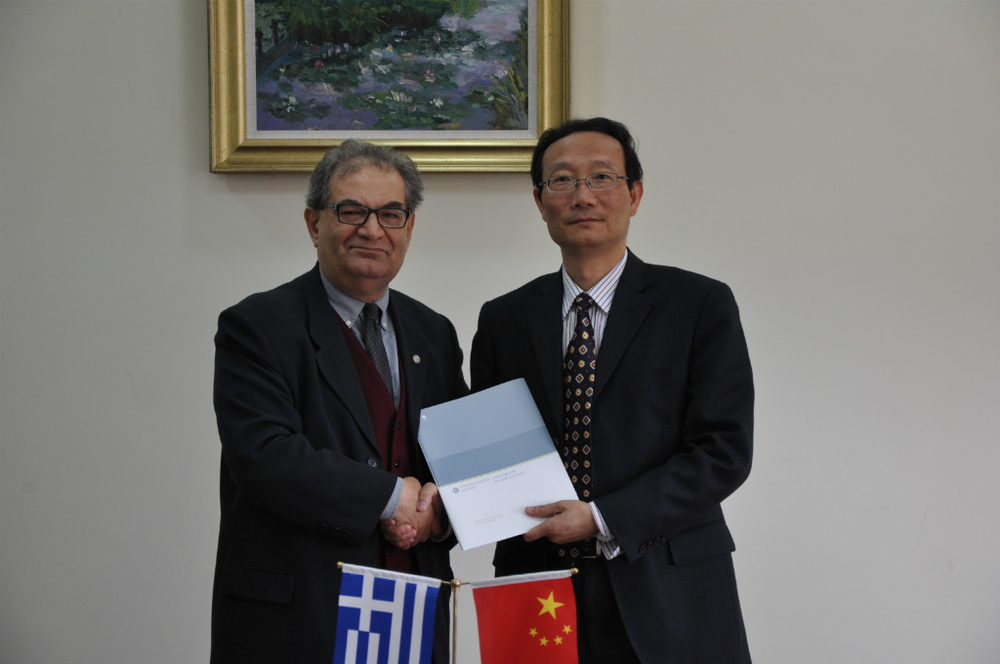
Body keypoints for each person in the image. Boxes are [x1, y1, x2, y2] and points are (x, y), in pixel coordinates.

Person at [470, 118, 754, 663]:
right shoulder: (504, 319)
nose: (583, 196)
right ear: (540, 201)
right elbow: (492, 453)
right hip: (537, 582)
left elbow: (724, 451)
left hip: (669, 585)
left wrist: (603, 517)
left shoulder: (699, 305)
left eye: (602, 177)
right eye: (562, 181)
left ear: (634, 194)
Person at [211, 140, 468, 663]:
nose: (372, 230)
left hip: (411, 609)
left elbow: (458, 458)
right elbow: (264, 456)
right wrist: (392, 497)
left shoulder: (434, 332)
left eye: (391, 214)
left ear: (409, 228)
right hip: (300, 615)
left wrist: (438, 512)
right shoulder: (257, 326)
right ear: (314, 223)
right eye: (352, 211)